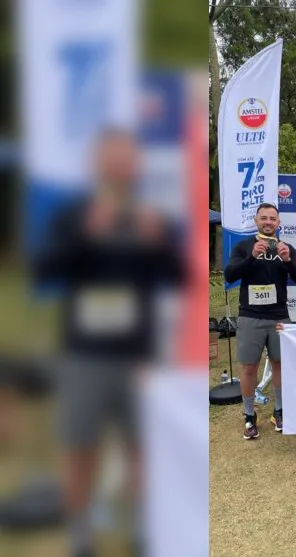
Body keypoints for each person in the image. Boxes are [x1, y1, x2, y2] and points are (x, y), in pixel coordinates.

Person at [33, 129, 183, 557]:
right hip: (83, 354)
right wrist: (84, 235)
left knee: (143, 446)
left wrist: (158, 244)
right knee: (79, 445)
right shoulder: (73, 214)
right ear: (97, 163)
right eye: (111, 158)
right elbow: (45, 271)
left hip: (138, 356)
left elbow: (176, 276)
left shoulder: (151, 216)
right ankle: (79, 535)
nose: (119, 166)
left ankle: (142, 530)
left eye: (126, 158)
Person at [224, 203, 296, 438]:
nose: (268, 222)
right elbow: (230, 275)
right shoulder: (244, 246)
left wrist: (289, 261)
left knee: (280, 364)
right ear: (256, 221)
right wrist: (251, 257)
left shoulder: (285, 247)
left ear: (278, 223)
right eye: (264, 218)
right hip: (251, 315)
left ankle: (279, 412)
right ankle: (249, 415)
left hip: (279, 316)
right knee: (249, 366)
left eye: (273, 219)